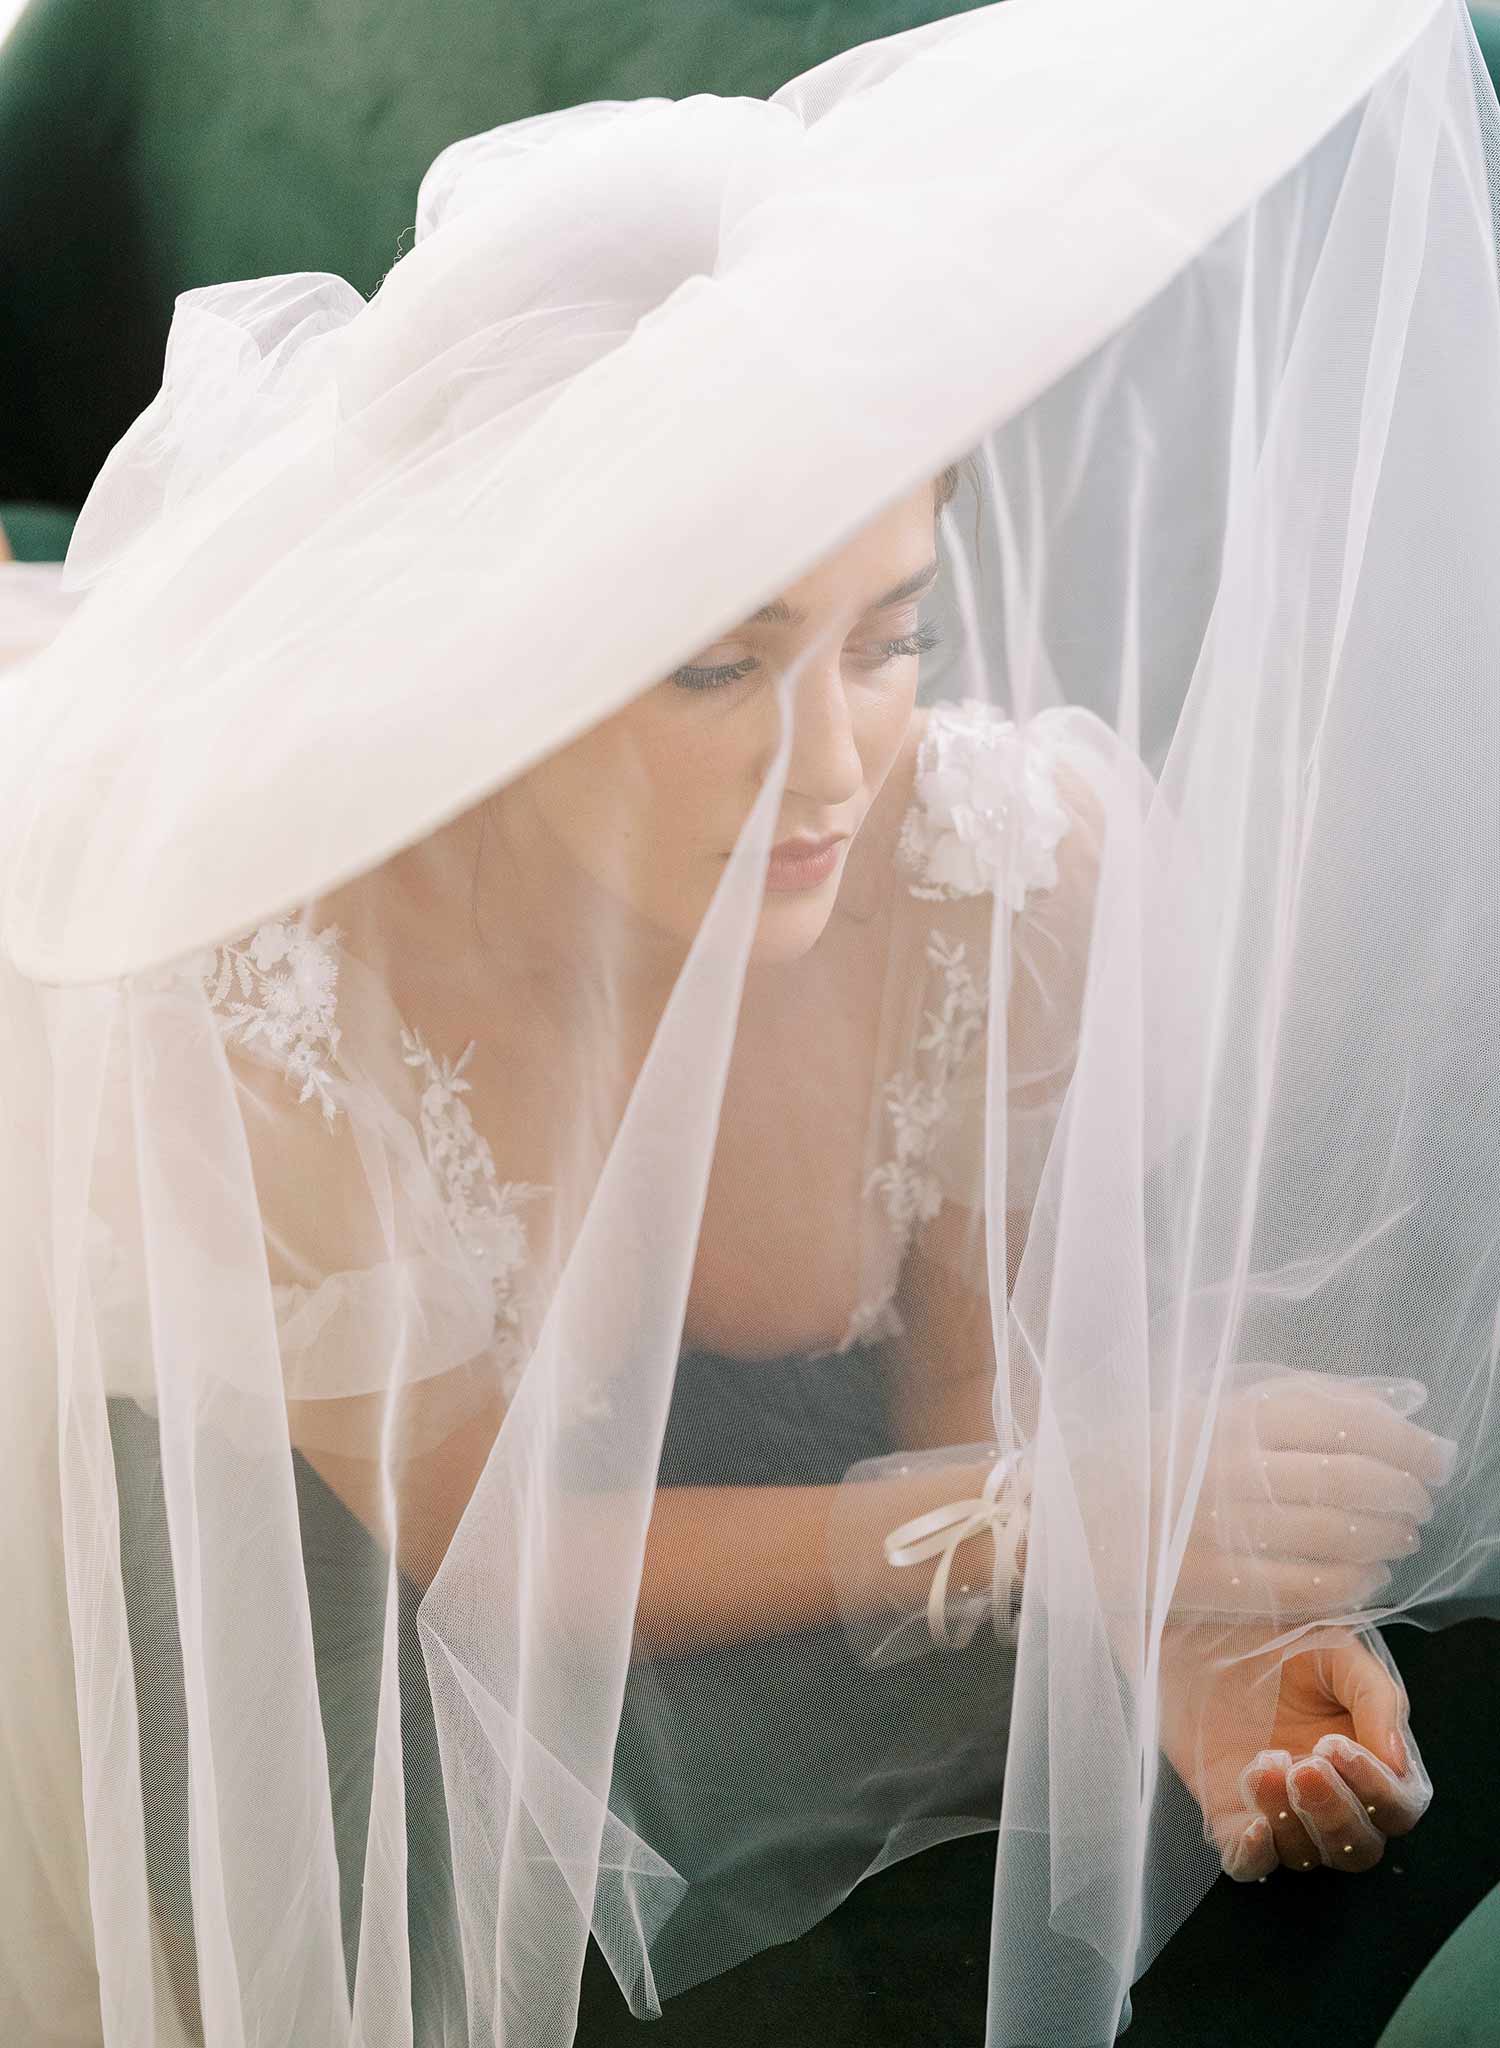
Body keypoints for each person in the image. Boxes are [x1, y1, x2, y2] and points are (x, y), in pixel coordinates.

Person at [3, 4, 1498, 2045]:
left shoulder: (997, 875)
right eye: (719, 669)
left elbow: (961, 1399)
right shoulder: (275, 997)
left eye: (887, 638)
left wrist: (1181, 1639)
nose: (835, 771)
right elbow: (485, 1545)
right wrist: (1046, 1514)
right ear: (499, 658)